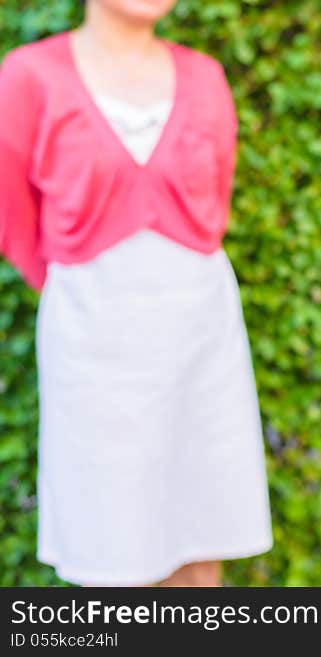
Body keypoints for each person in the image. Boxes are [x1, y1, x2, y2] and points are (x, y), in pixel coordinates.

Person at [0, 0, 272, 586]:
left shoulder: (205, 76)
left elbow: (214, 204)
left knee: (202, 541)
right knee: (110, 544)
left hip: (202, 339)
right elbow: (14, 221)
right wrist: (85, 292)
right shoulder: (28, 76)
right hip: (90, 345)